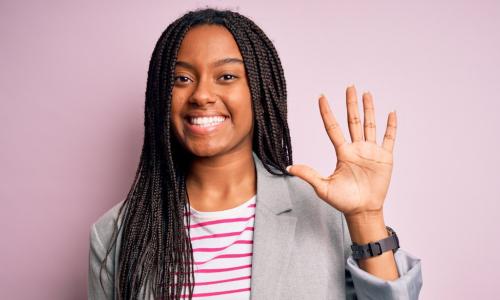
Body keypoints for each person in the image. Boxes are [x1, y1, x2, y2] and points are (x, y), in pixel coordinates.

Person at [88, 8, 422, 300]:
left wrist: (366, 217)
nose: (202, 94)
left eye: (227, 76)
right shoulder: (115, 235)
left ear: (260, 91)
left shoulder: (326, 214)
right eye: (182, 78)